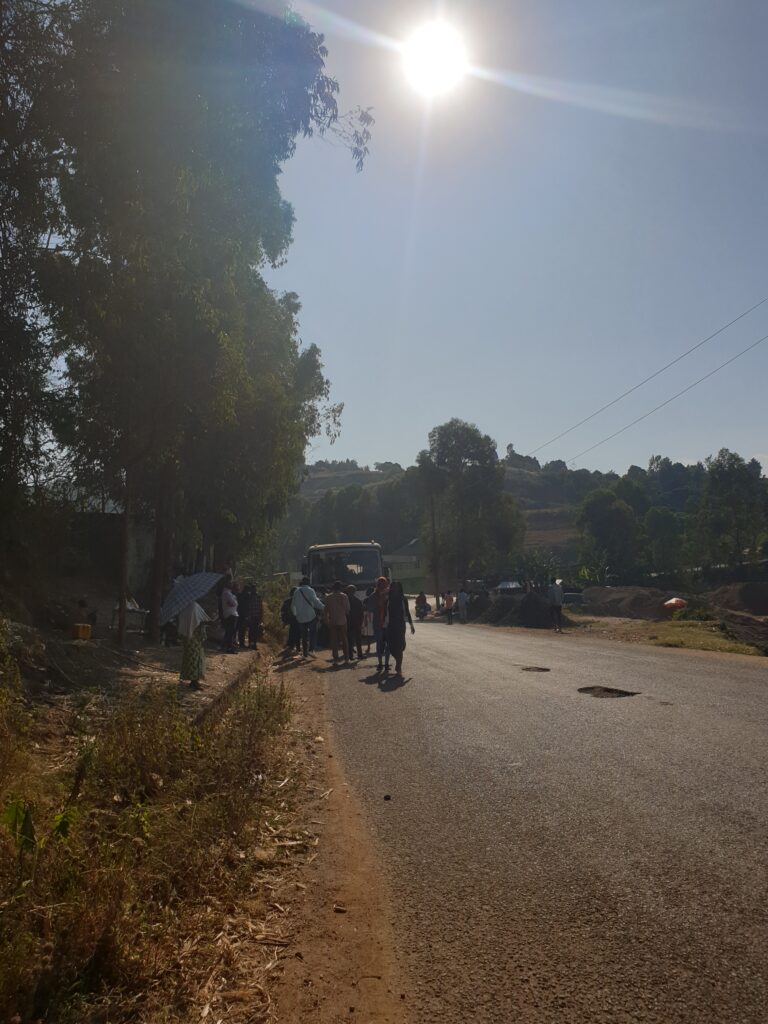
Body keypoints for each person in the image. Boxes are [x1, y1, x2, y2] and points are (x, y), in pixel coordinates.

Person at [385, 581, 415, 676]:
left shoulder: (403, 599)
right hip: (390, 625)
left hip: (401, 625)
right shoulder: (388, 599)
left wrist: (411, 625)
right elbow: (384, 613)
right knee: (392, 646)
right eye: (393, 587)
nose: (395, 589)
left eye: (397, 587)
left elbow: (407, 612)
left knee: (400, 645)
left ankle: (399, 666)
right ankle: (398, 661)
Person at [178, 601, 209, 689]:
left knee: (189, 658)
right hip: (194, 636)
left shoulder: (183, 608)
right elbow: (198, 621)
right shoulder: (194, 606)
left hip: (187, 637)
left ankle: (193, 680)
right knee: (196, 659)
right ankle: (194, 681)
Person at [291, 576, 325, 658]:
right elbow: (316, 602)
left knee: (304, 635)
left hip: (300, 617)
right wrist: (324, 607)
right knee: (313, 633)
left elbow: (293, 605)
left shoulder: (296, 591)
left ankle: (305, 653)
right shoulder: (310, 590)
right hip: (310, 616)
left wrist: (296, 614)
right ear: (308, 583)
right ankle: (311, 650)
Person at [324, 581, 351, 664]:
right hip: (342, 620)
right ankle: (346, 659)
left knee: (334, 641)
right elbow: (347, 609)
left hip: (333, 621)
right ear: (340, 588)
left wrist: (327, 621)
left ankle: (336, 660)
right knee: (344, 640)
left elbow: (326, 610)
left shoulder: (328, 597)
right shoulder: (344, 596)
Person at [372, 576, 390, 671]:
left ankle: (383, 664)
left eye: (383, 583)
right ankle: (383, 664)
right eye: (381, 584)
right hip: (381, 623)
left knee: (384, 645)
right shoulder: (375, 595)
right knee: (383, 645)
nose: (382, 585)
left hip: (384, 623)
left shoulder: (389, 594)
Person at [346, 584, 364, 660]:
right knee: (358, 639)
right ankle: (360, 655)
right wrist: (361, 622)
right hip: (357, 622)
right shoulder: (358, 601)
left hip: (348, 622)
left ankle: (350, 655)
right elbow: (361, 613)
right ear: (355, 591)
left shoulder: (345, 601)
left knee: (350, 639)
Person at [220, 579, 239, 652]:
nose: (231, 584)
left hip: (231, 614)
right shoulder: (227, 593)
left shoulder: (228, 593)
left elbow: (233, 603)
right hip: (230, 614)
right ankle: (229, 648)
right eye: (230, 583)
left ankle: (225, 646)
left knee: (229, 632)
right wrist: (234, 600)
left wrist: (233, 600)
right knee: (230, 632)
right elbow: (234, 603)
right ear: (227, 584)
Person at [281, 588, 301, 654]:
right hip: (298, 619)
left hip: (291, 619)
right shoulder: (299, 601)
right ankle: (297, 647)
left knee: (292, 631)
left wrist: (284, 621)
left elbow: (283, 611)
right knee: (297, 633)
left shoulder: (287, 601)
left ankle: (291, 645)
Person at [235, 582, 251, 649]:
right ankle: (240, 643)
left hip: (240, 614)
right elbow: (248, 606)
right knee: (241, 629)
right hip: (242, 614)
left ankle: (239, 642)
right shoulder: (246, 596)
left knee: (239, 629)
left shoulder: (240, 595)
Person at [362, 586, 376, 655]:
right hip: (374, 616)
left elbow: (364, 608)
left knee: (368, 634)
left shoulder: (365, 600)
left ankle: (368, 647)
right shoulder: (375, 598)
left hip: (367, 617)